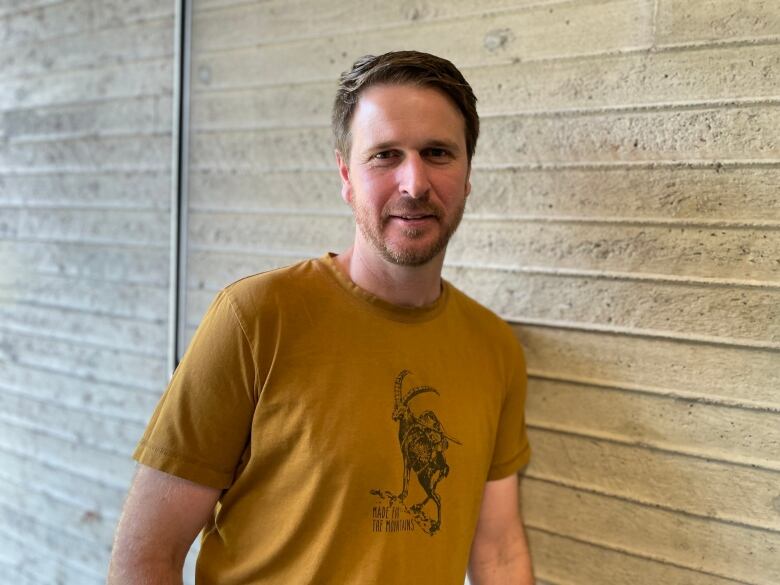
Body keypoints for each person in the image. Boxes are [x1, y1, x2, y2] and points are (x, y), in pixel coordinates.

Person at [108, 50, 534, 585]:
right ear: (346, 175)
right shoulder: (256, 319)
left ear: (468, 173)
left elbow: (497, 551)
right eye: (385, 155)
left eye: (437, 153)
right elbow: (147, 558)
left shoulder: (493, 347)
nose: (414, 182)